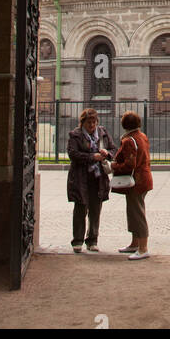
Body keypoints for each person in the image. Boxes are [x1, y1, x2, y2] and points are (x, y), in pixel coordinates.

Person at [66, 107, 114, 253]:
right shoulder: (75, 135)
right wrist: (92, 157)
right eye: (89, 123)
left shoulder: (102, 133)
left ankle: (92, 239)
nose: (92, 126)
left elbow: (113, 149)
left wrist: (107, 153)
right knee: (80, 208)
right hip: (81, 177)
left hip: (98, 178)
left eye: (94, 122)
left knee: (95, 209)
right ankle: (78, 240)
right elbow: (73, 154)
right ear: (82, 123)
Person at [111, 111, 154, 260]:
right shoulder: (142, 136)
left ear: (124, 125)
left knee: (137, 213)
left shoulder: (129, 140)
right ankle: (135, 243)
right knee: (133, 211)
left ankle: (143, 248)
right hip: (144, 178)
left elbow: (130, 164)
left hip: (136, 181)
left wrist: (113, 167)